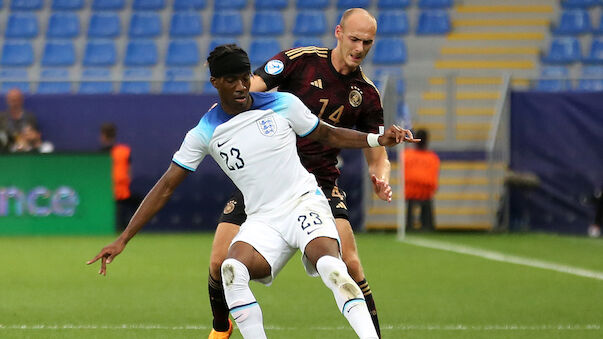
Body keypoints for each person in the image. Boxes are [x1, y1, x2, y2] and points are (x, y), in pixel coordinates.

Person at [87, 44, 417, 339]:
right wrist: (124, 238)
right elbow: (165, 187)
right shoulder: (204, 132)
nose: (242, 86)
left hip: (304, 204)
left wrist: (376, 139)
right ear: (215, 83)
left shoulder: (282, 103)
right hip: (262, 219)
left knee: (333, 267)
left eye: (245, 77)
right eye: (231, 80)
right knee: (230, 269)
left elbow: (329, 135)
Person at [207, 8, 390, 338]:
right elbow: (252, 89)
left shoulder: (367, 94)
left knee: (349, 262)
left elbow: (377, 155)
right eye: (354, 39)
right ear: (338, 32)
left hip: (318, 181)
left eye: (368, 42)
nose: (360, 48)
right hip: (266, 175)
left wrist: (381, 177)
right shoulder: (301, 61)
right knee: (220, 261)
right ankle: (221, 329)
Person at [403, 129, 440, 231]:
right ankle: (428, 225)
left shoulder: (407, 155)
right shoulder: (432, 158)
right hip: (426, 193)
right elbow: (433, 180)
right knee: (427, 204)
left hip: (410, 192)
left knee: (411, 205)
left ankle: (409, 225)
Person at [99, 122, 133, 232]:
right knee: (120, 212)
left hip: (107, 188)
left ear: (103, 136)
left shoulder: (101, 154)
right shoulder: (124, 151)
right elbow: (129, 169)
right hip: (122, 186)